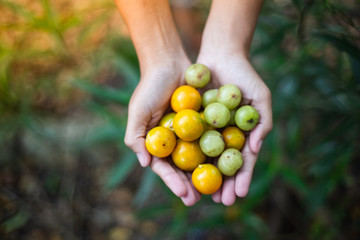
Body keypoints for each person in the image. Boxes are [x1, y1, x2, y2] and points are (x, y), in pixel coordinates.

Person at [114, 0, 273, 206]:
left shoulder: (207, 120)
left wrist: (228, 47)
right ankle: (189, 29)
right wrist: (159, 61)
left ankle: (192, 30)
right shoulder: (194, 122)